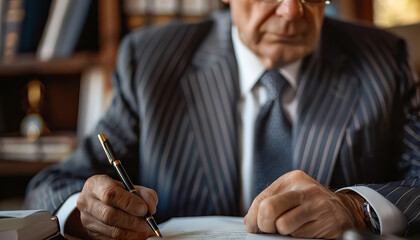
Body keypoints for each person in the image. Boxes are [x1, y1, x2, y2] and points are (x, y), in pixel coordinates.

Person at [25, 0, 420, 239]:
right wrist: (86, 213)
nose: (291, 11)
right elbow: (49, 187)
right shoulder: (150, 62)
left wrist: (355, 210)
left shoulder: (383, 60)